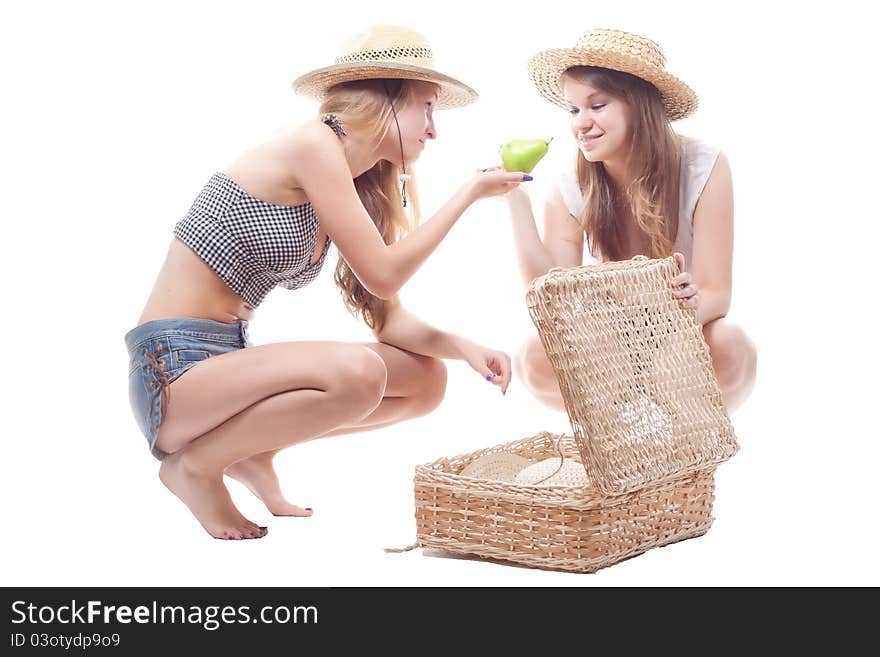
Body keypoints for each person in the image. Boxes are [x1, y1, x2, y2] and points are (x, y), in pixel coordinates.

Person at [123, 24, 529, 540]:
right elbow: (382, 275)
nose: (433, 129)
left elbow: (389, 316)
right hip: (172, 371)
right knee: (358, 372)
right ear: (384, 100)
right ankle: (195, 466)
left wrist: (462, 346)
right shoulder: (312, 143)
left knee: (426, 383)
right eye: (426, 107)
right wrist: (469, 193)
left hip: (225, 367)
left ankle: (252, 449)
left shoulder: (359, 183)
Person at [507, 28, 756, 412]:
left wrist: (690, 305)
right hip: (611, 341)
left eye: (597, 105)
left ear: (638, 105)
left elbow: (717, 292)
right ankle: (623, 436)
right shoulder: (570, 185)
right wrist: (516, 200)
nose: (580, 124)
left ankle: (687, 443)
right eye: (574, 110)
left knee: (732, 343)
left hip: (683, 332)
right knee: (533, 356)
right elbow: (550, 297)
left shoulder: (702, 166)